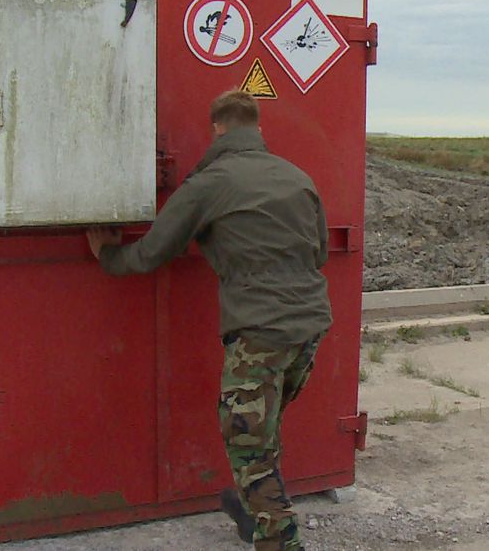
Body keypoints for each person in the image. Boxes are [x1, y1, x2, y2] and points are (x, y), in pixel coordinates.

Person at [87, 90, 331, 551]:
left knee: (248, 445)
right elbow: (318, 251)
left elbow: (153, 251)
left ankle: (279, 539)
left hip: (261, 330)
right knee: (264, 427)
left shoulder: (209, 184)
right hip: (310, 326)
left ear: (216, 129)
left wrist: (107, 256)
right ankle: (253, 515)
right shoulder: (298, 178)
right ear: (258, 129)